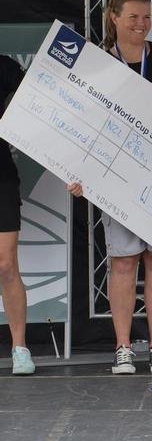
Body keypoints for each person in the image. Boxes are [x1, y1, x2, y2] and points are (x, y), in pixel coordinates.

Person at [68, 0, 152, 375]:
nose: (141, 24)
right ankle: (123, 347)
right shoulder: (96, 61)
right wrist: (78, 172)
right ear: (114, 17)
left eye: (146, 17)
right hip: (115, 174)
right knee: (124, 263)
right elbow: (78, 120)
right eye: (133, 17)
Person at [0, 55, 34, 375]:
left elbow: (38, 101)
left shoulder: (5, 66)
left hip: (1, 177)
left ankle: (19, 348)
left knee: (6, 264)